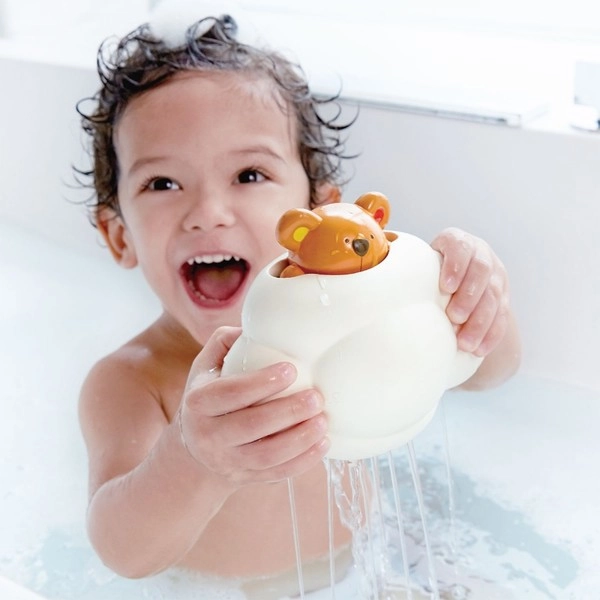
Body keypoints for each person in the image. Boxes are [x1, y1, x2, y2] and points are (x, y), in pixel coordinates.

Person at [76, 9, 521, 597]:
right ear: (119, 236)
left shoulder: (368, 309)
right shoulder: (134, 381)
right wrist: (191, 458)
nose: (208, 212)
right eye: (162, 183)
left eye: (249, 175)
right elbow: (122, 550)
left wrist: (477, 302)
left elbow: (490, 373)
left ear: (321, 211)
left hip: (375, 555)